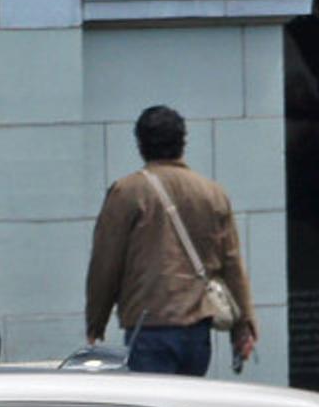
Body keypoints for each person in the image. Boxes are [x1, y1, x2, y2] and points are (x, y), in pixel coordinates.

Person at [86, 105, 258, 376]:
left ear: (141, 144)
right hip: (197, 326)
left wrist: (96, 321)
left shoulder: (127, 192)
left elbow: (106, 262)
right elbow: (232, 264)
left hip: (148, 325)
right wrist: (243, 325)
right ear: (182, 143)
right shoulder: (212, 193)